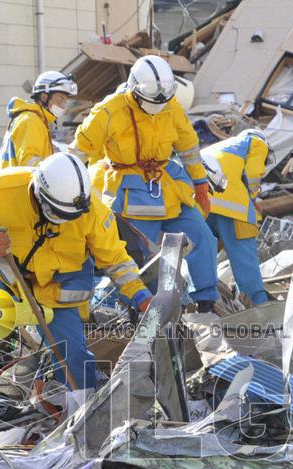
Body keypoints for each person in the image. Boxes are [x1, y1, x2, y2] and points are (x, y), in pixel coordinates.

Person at [0, 153, 151, 403]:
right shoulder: (5, 188)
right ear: (40, 194)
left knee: (72, 352)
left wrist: (140, 294)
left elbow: (115, 259)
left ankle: (81, 402)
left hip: (58, 284)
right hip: (7, 270)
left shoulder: (92, 211)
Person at [70, 55, 219, 311]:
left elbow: (189, 148)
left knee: (203, 236)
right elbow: (78, 152)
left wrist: (201, 186)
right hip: (128, 192)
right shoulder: (109, 110)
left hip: (167, 185)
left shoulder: (171, 106)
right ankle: (135, 308)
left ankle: (205, 301)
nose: (159, 105)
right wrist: (72, 191)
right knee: (139, 256)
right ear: (135, 89)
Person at [202, 128, 275, 306]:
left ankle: (205, 302)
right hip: (233, 206)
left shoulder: (219, 147)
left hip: (202, 204)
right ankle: (258, 302)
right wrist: (252, 197)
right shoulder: (255, 142)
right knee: (244, 257)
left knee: (204, 255)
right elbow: (252, 174)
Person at [0, 71, 78, 169]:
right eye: (60, 100)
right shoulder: (31, 121)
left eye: (65, 102)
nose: (62, 106)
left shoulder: (35, 119)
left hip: (15, 183)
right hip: (19, 184)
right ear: (44, 97)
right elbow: (30, 164)